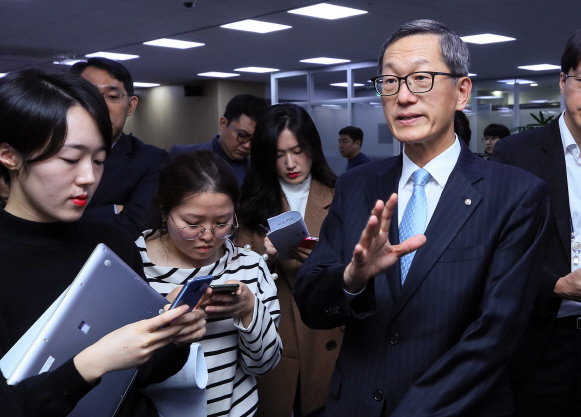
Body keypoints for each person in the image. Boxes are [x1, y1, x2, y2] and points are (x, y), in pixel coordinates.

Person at [293, 19, 550, 417]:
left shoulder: (516, 195)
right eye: (391, 82)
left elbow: (494, 335)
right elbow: (310, 303)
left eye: (422, 79)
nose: (403, 97)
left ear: (461, 91)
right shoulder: (356, 186)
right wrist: (352, 279)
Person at [0, 68, 206, 417]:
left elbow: (145, 373)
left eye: (98, 160)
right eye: (70, 159)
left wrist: (172, 336)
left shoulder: (110, 244)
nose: (89, 177)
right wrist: (88, 366)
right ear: (9, 155)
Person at [492, 25, 581, 417]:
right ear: (562, 81)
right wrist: (554, 286)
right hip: (538, 342)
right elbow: (493, 250)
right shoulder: (516, 154)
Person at [136, 150, 282, 417]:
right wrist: (163, 320)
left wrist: (249, 309)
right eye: (192, 223)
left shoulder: (248, 265)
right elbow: (116, 369)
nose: (208, 236)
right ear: (164, 211)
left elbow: (264, 365)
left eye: (222, 223)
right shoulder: (131, 265)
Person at [236, 103, 342, 417]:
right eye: (279, 155)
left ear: (313, 147)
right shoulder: (251, 204)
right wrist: (266, 258)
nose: (291, 163)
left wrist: (324, 259)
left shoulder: (341, 195)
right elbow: (237, 273)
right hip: (276, 336)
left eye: (297, 151)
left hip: (327, 333)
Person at [70, 58, 170, 239]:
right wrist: (112, 210)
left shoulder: (151, 160)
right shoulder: (48, 152)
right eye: (89, 95)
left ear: (131, 106)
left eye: (113, 97)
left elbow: (136, 226)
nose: (100, 106)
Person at [169, 94, 268, 185]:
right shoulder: (183, 156)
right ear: (223, 124)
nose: (247, 146)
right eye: (242, 135)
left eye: (255, 140)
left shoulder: (259, 170)